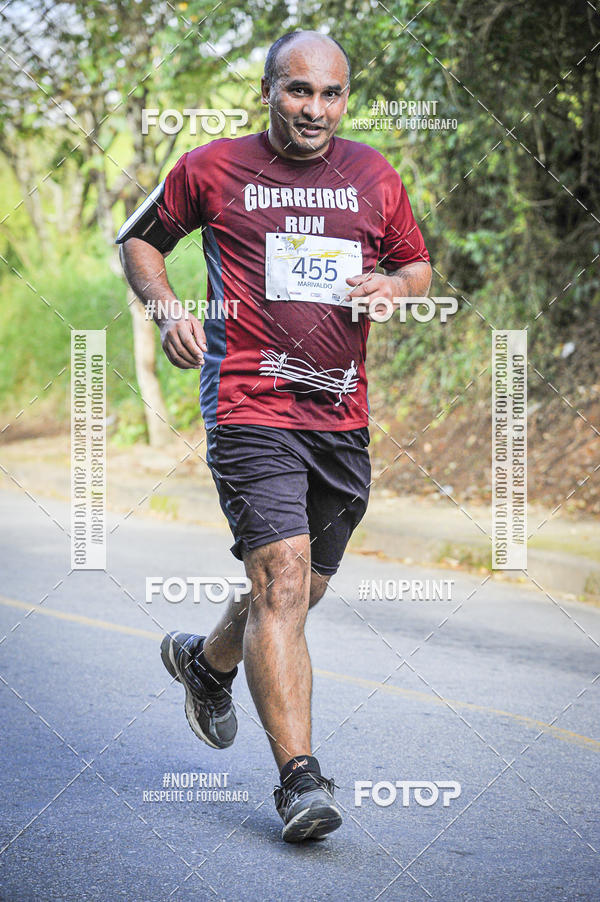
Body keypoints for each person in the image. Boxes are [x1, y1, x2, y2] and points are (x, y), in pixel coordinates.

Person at [117, 29, 431, 842]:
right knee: (283, 581)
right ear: (268, 91)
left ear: (346, 100)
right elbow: (141, 239)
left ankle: (207, 661)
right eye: (298, 91)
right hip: (250, 407)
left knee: (301, 590)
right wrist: (169, 307)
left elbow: (415, 265)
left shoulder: (373, 174)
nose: (315, 109)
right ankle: (300, 779)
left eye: (331, 94)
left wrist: (393, 287)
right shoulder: (211, 167)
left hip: (341, 416)